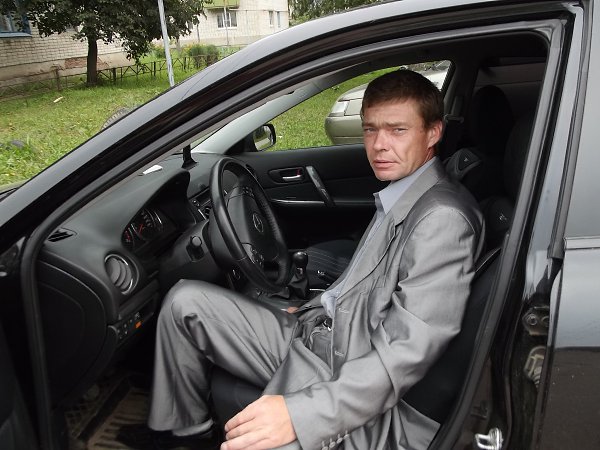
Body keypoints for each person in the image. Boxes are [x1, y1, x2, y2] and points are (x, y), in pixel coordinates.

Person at [122, 69, 484, 450]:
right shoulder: (406, 190)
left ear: (433, 132)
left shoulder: (443, 219)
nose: (379, 145)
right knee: (185, 304)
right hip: (320, 332)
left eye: (397, 130)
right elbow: (361, 281)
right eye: (370, 129)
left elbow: (404, 355)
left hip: (348, 374)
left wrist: (300, 415)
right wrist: (313, 308)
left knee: (258, 439)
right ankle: (185, 435)